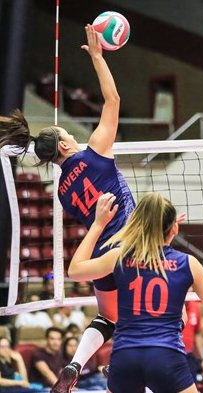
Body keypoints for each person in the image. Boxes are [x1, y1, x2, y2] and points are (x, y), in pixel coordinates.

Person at [0, 25, 134, 393]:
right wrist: (97, 58)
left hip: (100, 253)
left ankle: (76, 364)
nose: (72, 133)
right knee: (151, 318)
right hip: (131, 244)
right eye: (66, 133)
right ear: (62, 143)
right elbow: (113, 101)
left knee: (108, 316)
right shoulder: (96, 154)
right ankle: (122, 368)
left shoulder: (60, 190)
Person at [67, 192, 203, 393]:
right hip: (166, 357)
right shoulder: (188, 263)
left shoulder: (119, 256)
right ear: (175, 229)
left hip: (125, 357)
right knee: (182, 316)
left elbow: (74, 271)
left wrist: (98, 225)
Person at [182, 301, 203, 383]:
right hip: (172, 355)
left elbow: (197, 334)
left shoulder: (195, 306)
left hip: (189, 356)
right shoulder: (170, 304)